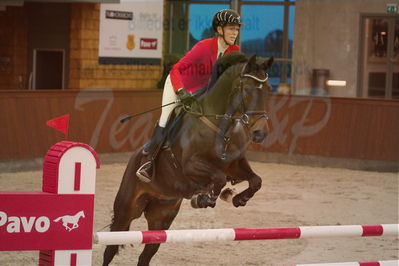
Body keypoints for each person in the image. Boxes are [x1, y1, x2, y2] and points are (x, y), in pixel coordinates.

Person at [137, 9, 243, 182]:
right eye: (231, 28)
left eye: (237, 29)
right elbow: (175, 69)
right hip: (178, 85)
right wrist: (181, 92)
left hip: (201, 92)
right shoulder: (203, 47)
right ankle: (148, 162)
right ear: (219, 30)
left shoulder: (234, 51)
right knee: (167, 117)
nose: (235, 33)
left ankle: (229, 163)